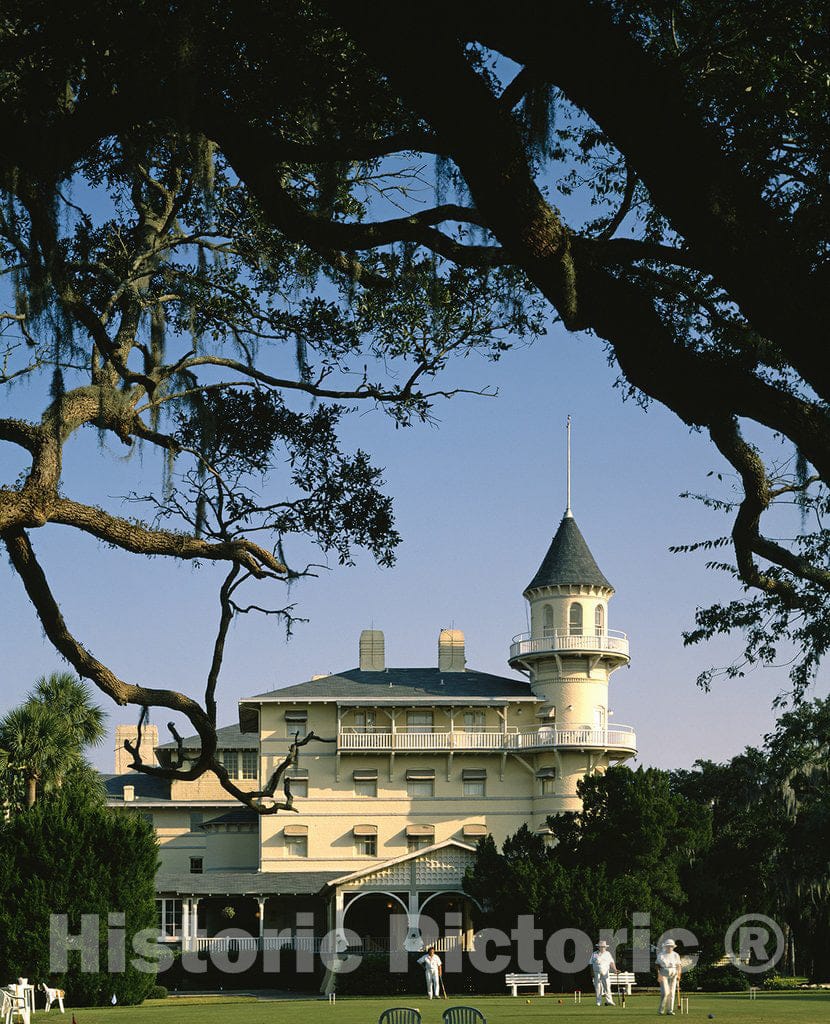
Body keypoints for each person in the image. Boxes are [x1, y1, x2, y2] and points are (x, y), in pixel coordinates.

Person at [656, 938, 682, 1016]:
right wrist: (659, 975)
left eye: (671, 946)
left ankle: (670, 1010)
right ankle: (661, 1010)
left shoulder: (676, 955)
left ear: (673, 947)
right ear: (665, 947)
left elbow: (679, 965)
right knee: (665, 993)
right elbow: (657, 965)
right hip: (663, 974)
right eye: (668, 946)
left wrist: (679, 975)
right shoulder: (661, 954)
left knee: (672, 993)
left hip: (674, 974)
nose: (670, 947)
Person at [590, 938, 618, 1007]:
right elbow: (590, 964)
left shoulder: (608, 954)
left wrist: (615, 969)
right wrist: (592, 973)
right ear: (598, 947)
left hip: (605, 972)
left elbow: (611, 962)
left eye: (603, 947)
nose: (602, 948)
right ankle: (598, 1002)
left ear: (605, 947)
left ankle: (609, 1001)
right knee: (598, 987)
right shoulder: (594, 954)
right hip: (596, 972)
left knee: (607, 986)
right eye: (601, 947)